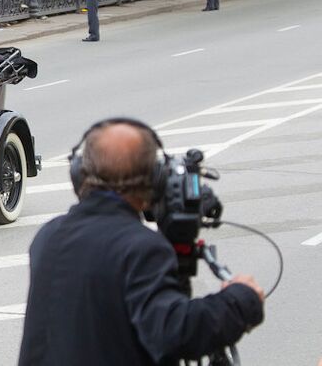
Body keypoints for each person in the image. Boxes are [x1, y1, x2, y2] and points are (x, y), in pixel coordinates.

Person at [18, 118, 265, 366]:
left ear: (79, 173)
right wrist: (241, 299)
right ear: (154, 180)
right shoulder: (142, 249)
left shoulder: (49, 236)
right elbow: (174, 333)